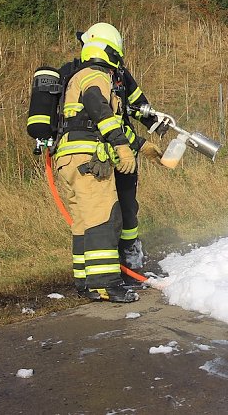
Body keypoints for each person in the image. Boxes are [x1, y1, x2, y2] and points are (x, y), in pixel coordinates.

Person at [53, 23, 159, 302]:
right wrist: (122, 148)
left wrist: (141, 145)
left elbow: (100, 122)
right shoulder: (96, 76)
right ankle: (106, 284)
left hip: (69, 159)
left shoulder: (78, 76)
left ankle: (85, 281)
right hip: (89, 161)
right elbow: (99, 110)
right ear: (110, 52)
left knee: (84, 222)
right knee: (104, 217)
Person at [75, 31, 164, 287]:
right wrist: (131, 144)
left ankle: (129, 259)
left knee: (127, 206)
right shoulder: (89, 76)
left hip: (120, 148)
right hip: (100, 153)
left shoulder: (119, 75)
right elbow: (102, 116)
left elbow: (134, 107)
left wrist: (152, 129)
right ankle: (106, 274)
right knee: (102, 214)